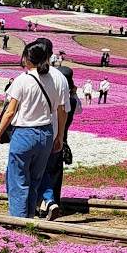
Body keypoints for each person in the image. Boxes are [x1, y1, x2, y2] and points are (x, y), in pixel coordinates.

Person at [0, 39, 67, 219]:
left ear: (28, 58)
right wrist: (60, 137)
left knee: (18, 181)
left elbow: (9, 112)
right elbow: (61, 110)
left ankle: (19, 223)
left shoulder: (22, 80)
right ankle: (30, 221)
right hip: (46, 134)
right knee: (35, 180)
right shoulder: (56, 80)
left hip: (25, 134)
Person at [39, 64, 79, 219]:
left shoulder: (53, 97)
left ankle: (44, 204)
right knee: (55, 173)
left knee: (41, 172)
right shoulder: (73, 101)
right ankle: (53, 202)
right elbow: (78, 107)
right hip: (62, 139)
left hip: (47, 135)